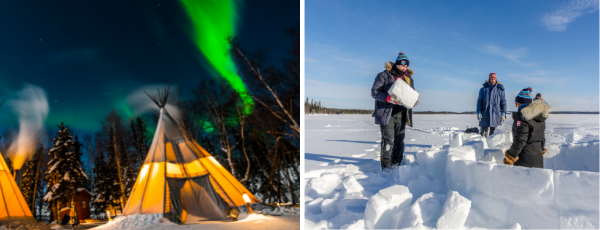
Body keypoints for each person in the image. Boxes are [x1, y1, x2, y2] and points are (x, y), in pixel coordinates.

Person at [371, 52, 418, 170]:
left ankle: (396, 165)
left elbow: (411, 94)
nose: (404, 68)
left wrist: (414, 101)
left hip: (402, 114)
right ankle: (386, 168)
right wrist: (387, 98)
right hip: (387, 113)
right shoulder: (384, 75)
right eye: (402, 65)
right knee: (388, 141)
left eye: (406, 66)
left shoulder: (408, 78)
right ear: (396, 64)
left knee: (400, 141)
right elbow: (374, 92)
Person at [503, 88, 549, 168]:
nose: (515, 105)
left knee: (523, 180)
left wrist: (511, 156)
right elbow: (542, 139)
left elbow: (520, 141)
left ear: (520, 103)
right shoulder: (539, 117)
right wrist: (541, 151)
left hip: (525, 160)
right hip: (538, 158)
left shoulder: (523, 118)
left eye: (517, 103)